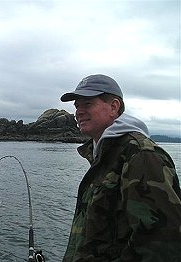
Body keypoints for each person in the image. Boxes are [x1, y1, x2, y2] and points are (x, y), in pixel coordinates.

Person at [60, 74, 181, 261]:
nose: (78, 112)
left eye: (87, 104)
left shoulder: (142, 156)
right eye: (77, 106)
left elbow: (161, 245)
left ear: (114, 107)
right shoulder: (104, 154)